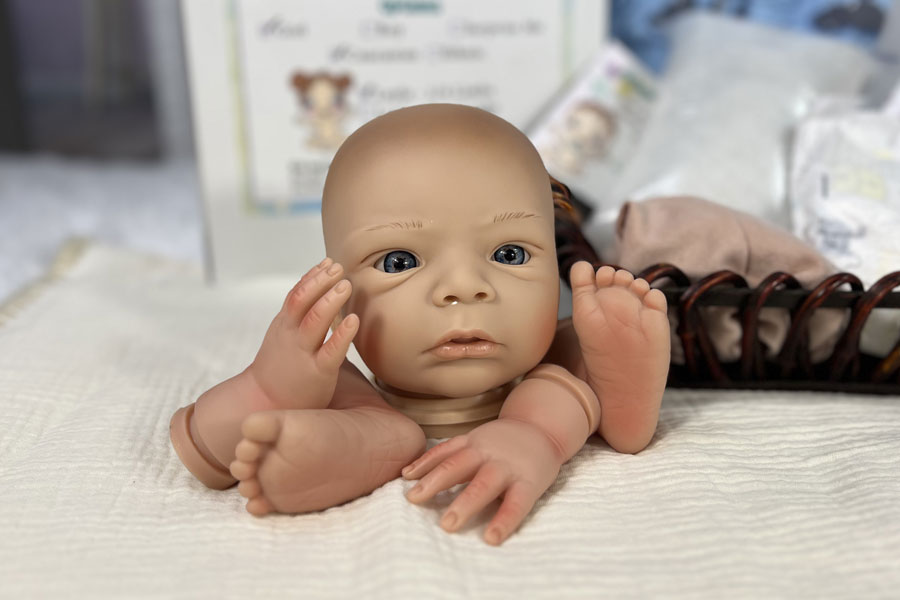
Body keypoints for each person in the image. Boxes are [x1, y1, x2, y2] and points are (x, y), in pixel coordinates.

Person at [169, 104, 670, 546]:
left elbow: (557, 393)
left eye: (509, 254)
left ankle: (606, 401)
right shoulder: (333, 381)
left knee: (560, 373)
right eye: (399, 262)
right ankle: (337, 448)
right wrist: (267, 388)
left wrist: (533, 437)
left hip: (526, 391)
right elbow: (204, 454)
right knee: (339, 389)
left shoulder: (544, 381)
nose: (464, 288)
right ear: (338, 294)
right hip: (373, 407)